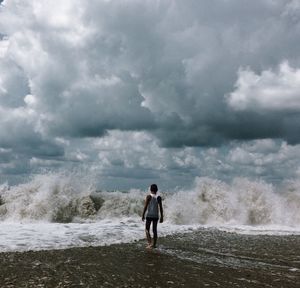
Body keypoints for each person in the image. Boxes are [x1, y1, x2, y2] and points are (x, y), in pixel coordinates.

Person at [142, 184, 163, 249]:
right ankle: (154, 244)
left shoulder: (148, 196)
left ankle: (149, 243)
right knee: (154, 230)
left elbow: (145, 206)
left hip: (149, 215)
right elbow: (161, 208)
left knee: (147, 229)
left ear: (150, 189)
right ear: (157, 190)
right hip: (156, 216)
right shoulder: (159, 197)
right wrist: (162, 216)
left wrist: (143, 215)